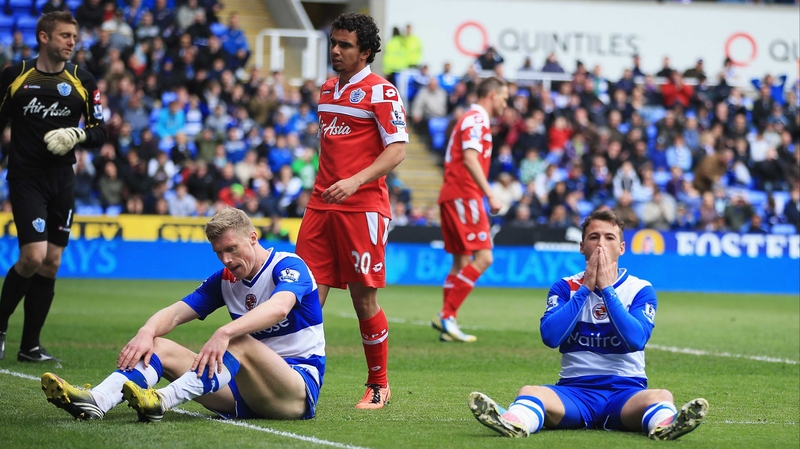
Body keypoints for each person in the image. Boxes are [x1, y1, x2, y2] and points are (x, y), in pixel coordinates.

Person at [41, 208, 325, 422]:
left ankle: (160, 401)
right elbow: (175, 313)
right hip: (242, 392)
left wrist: (225, 332)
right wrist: (146, 332)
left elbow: (280, 307)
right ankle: (98, 400)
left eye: (232, 249)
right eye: (219, 253)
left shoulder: (288, 265)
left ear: (252, 238)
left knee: (238, 338)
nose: (226, 259)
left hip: (296, 389)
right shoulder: (225, 279)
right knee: (158, 345)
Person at [467, 209, 709, 440]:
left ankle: (665, 426)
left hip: (625, 394)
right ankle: (514, 422)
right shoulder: (564, 287)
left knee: (661, 396)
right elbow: (550, 337)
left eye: (609, 237)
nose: (601, 243)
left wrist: (606, 289)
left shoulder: (640, 290)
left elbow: (636, 339)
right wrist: (585, 291)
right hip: (574, 393)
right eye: (594, 237)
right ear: (582, 246)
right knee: (529, 392)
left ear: (622, 248)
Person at [294, 12, 407, 410]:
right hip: (320, 207)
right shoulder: (327, 89)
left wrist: (356, 180)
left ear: (367, 52)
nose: (336, 51)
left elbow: (397, 149)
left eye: (345, 46)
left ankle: (379, 384)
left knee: (363, 301)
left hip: (363, 209)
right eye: (334, 43)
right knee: (302, 294)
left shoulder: (383, 92)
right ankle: (290, 377)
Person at [0, 12, 107, 363]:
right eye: (64, 36)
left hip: (62, 181)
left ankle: (30, 346)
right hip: (26, 179)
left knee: (51, 262)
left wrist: (77, 133)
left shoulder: (83, 80)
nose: (71, 42)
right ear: (43, 37)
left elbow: (100, 131)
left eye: (74, 37)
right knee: (33, 256)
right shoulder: (15, 76)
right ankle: (0, 328)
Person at [432, 76, 508, 343]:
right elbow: (469, 158)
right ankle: (447, 315)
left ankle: (447, 323)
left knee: (461, 261)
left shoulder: (470, 119)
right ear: (492, 95)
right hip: (465, 195)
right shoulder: (477, 119)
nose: (505, 103)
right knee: (484, 257)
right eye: (504, 97)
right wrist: (490, 195)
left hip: (453, 194)